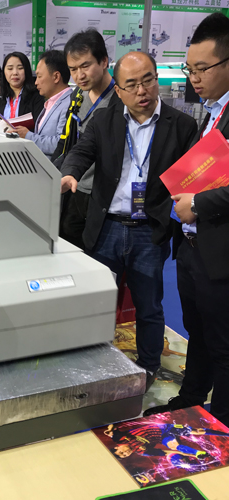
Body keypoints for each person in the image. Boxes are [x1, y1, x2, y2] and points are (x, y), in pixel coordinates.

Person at [59, 52, 197, 389]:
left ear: (157, 80)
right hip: (105, 227)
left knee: (149, 306)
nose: (142, 91)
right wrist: (70, 172)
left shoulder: (181, 125)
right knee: (98, 303)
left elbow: (191, 177)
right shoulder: (104, 120)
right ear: (118, 90)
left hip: (149, 231)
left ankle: (148, 367)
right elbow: (82, 151)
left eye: (148, 80)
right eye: (131, 84)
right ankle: (95, 363)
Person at [143, 13, 229, 427]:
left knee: (223, 343)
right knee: (197, 330)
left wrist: (200, 203)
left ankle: (222, 426)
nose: (194, 79)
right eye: (189, 69)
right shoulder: (211, 112)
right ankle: (192, 401)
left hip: (221, 251)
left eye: (202, 69)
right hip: (194, 247)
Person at [52, 28, 119, 249]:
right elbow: (68, 142)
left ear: (104, 61)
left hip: (102, 195)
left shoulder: (120, 100)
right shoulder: (77, 96)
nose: (79, 75)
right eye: (73, 69)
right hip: (74, 187)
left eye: (85, 66)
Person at [6, 50, 71, 159]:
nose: (36, 82)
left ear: (56, 77)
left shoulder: (68, 104)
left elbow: (62, 144)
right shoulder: (50, 102)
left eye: (39, 76)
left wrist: (28, 136)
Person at [105, 422, 229, 460]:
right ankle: (198, 452)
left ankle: (226, 433)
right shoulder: (142, 452)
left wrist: (110, 428)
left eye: (121, 452)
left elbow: (112, 425)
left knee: (196, 431)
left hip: (163, 428)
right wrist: (192, 455)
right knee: (174, 446)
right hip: (164, 438)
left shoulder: (118, 438)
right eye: (124, 456)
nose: (125, 453)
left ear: (117, 447)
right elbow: (167, 452)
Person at [0, 52, 45, 125]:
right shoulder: (1, 98)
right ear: (4, 72)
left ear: (27, 71)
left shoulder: (36, 97)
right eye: (10, 68)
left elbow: (39, 126)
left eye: (20, 68)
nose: (15, 73)